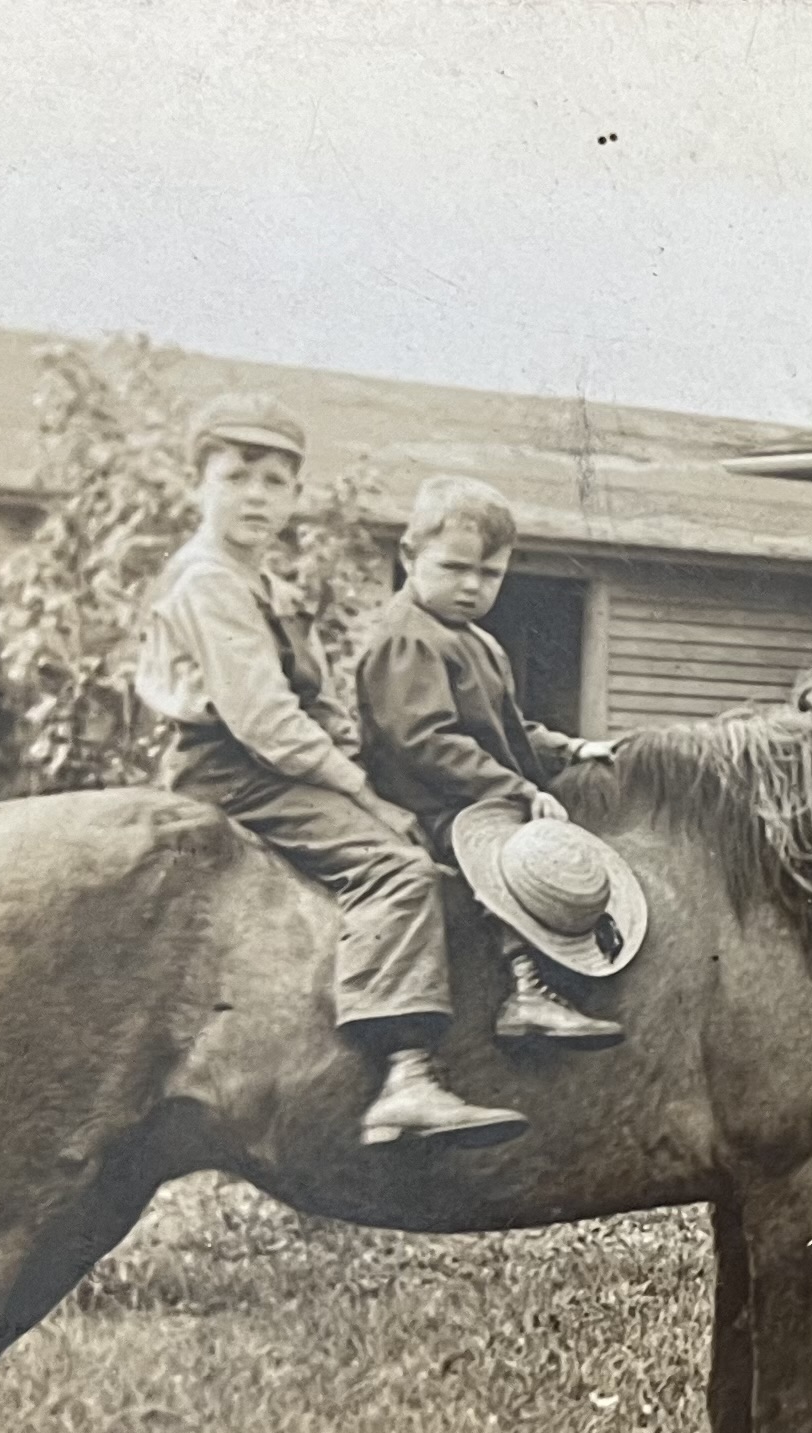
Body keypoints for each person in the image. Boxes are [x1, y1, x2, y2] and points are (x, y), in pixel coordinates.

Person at [135, 393, 525, 1150]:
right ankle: (404, 1077)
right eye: (237, 476)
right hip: (233, 769)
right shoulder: (210, 582)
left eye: (276, 482)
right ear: (198, 485)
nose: (257, 496)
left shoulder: (259, 581)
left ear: (295, 495)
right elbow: (267, 721)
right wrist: (366, 795)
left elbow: (315, 704)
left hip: (267, 760)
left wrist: (357, 754)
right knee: (398, 867)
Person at [354, 475, 626, 1047]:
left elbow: (509, 730)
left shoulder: (478, 642)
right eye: (455, 569)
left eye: (489, 574)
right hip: (429, 802)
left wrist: (571, 749)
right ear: (409, 555)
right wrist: (518, 791)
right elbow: (424, 740)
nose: (471, 586)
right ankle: (526, 990)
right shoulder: (408, 637)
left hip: (476, 793)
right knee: (511, 855)